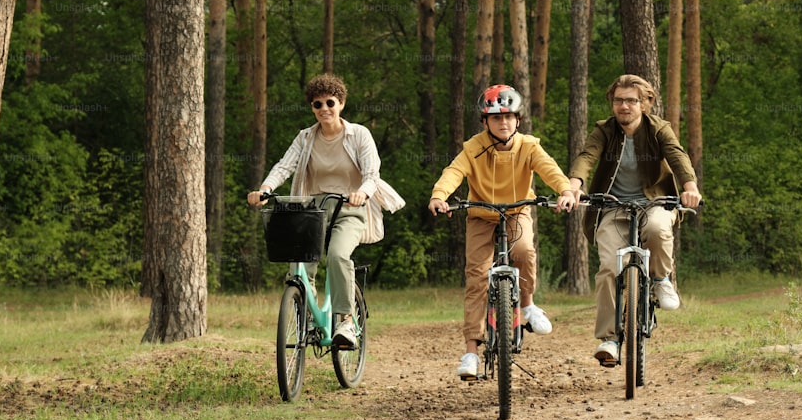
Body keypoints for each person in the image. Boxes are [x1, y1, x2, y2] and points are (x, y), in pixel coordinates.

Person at [428, 84, 577, 380]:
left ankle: (528, 305)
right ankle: (471, 350)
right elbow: (453, 172)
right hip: (481, 216)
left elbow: (550, 170)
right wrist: (439, 196)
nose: (503, 122)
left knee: (523, 252)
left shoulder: (529, 146)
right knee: (478, 277)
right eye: (496, 118)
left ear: (518, 120)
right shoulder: (473, 148)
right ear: (485, 122)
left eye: (509, 116)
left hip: (517, 211)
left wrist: (564, 191)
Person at [248, 73, 405, 348]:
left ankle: (345, 321)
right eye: (317, 104)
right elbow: (285, 166)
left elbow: (371, 173)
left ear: (341, 103)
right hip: (313, 211)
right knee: (299, 263)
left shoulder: (359, 135)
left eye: (329, 103)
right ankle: (305, 318)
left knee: (337, 256)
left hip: (350, 209)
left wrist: (362, 193)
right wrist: (265, 189)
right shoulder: (306, 137)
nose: (324, 109)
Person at [568, 74, 702, 367]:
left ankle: (660, 279)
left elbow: (677, 157)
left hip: (654, 202)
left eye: (631, 101)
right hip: (614, 207)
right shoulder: (604, 130)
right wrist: (574, 185)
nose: (624, 106)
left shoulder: (658, 130)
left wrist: (690, 187)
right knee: (607, 268)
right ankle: (610, 339)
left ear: (645, 104)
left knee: (657, 228)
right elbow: (586, 157)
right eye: (619, 100)